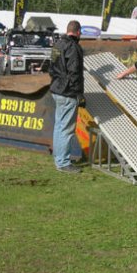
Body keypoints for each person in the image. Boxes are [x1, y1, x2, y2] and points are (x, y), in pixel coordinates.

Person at [49, 20, 85, 174]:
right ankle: (63, 162)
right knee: (66, 129)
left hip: (56, 89)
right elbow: (74, 73)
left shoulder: (57, 45)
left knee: (59, 126)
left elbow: (51, 68)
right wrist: (79, 94)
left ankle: (59, 158)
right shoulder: (73, 47)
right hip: (68, 92)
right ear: (78, 32)